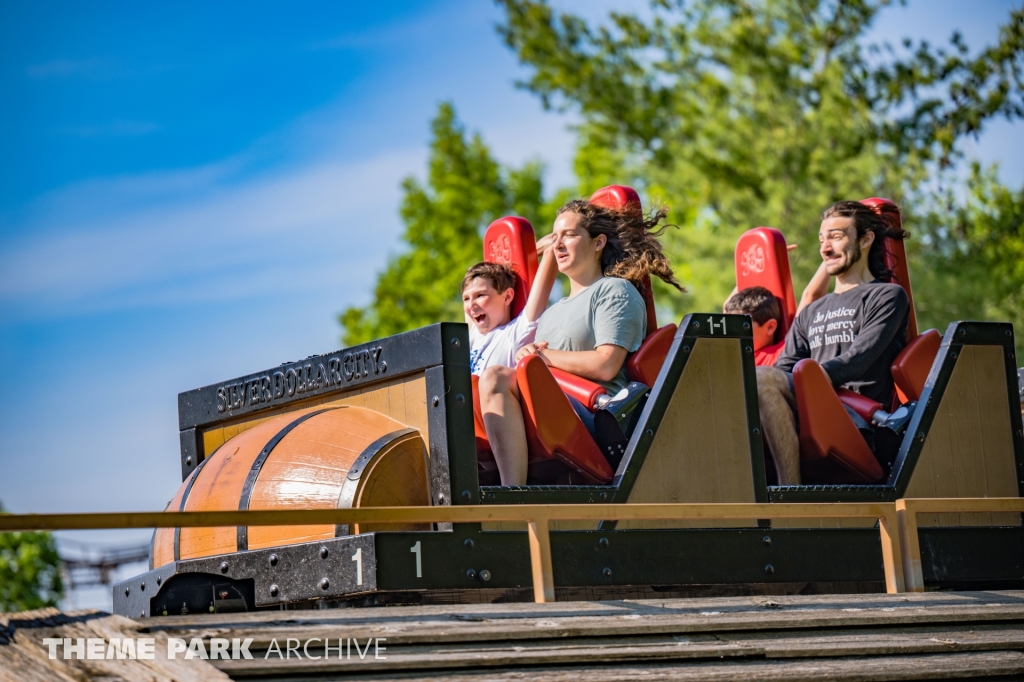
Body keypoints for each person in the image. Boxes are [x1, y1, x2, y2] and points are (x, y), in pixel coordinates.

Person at [478, 198, 683, 485]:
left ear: (598, 243)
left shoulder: (613, 291)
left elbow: (606, 364)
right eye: (555, 238)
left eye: (570, 235)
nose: (558, 245)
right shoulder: (551, 314)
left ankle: (512, 495)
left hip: (599, 417)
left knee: (496, 377)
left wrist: (543, 359)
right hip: (554, 410)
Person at [757, 200, 910, 485]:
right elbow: (783, 368)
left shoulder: (887, 297)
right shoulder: (813, 311)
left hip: (859, 421)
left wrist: (809, 382)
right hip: (806, 408)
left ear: (865, 239)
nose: (825, 248)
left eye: (836, 237)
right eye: (821, 239)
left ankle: (790, 500)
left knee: (761, 379)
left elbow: (858, 360)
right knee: (745, 387)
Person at [463, 233, 558, 375]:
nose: (471, 306)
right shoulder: (473, 333)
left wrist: (536, 249)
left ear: (507, 296)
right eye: (466, 299)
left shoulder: (516, 333)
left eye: (480, 295)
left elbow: (552, 247)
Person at [723, 286, 785, 366]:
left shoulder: (777, 355)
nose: (733, 333)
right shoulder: (730, 352)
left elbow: (807, 296)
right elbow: (725, 308)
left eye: (743, 326)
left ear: (770, 327)